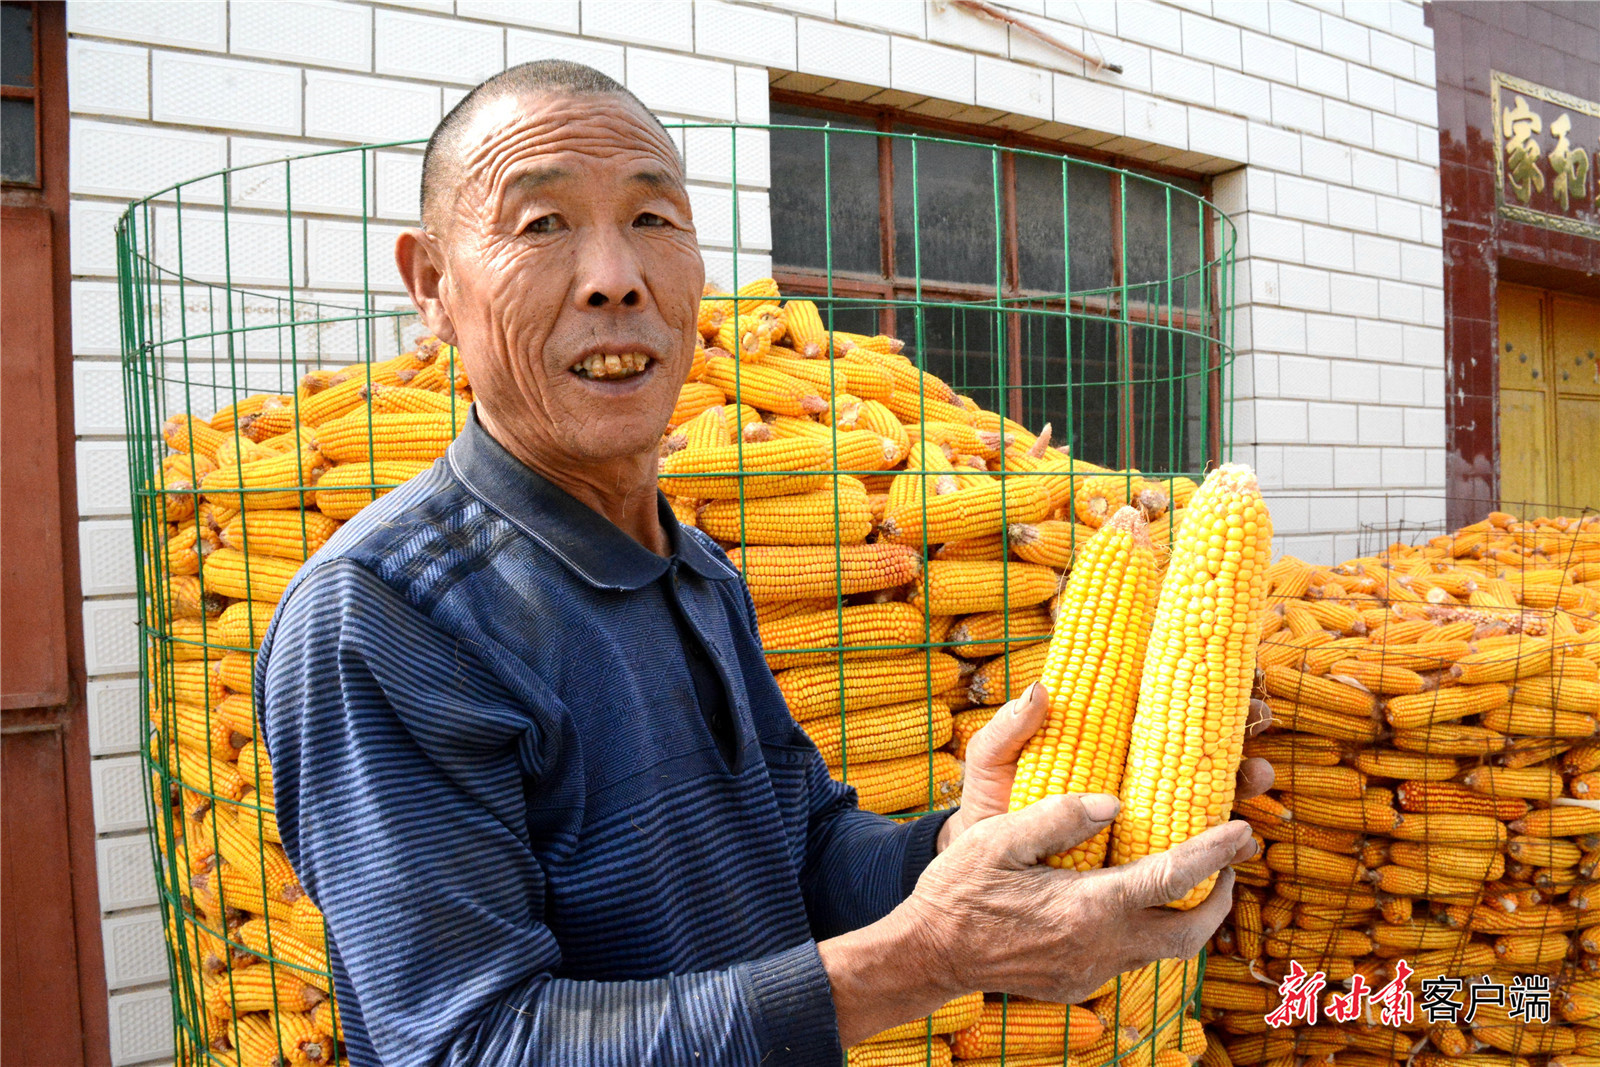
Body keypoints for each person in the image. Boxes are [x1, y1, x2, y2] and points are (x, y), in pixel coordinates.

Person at [257, 59, 1272, 1067]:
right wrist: (923, 957)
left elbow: (805, 846)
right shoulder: (382, 618)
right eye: (542, 225)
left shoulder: (696, 571)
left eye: (655, 219)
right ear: (433, 285)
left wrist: (958, 842)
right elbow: (471, 1043)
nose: (616, 274)